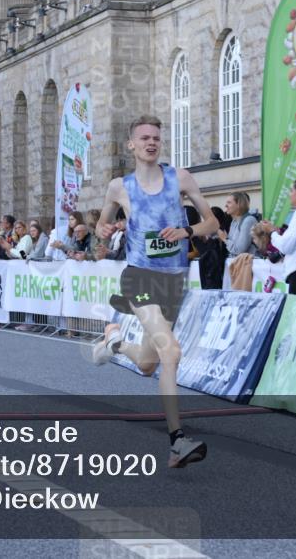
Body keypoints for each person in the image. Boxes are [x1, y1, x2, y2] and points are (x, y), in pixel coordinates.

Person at [90, 115, 218, 468]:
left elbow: (212, 222)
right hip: (140, 278)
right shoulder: (120, 186)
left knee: (148, 363)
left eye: (156, 138)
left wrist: (187, 231)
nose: (151, 142)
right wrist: (104, 230)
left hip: (174, 279)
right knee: (170, 351)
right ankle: (177, 440)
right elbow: (101, 224)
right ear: (131, 144)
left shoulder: (181, 178)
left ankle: (114, 344)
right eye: (144, 138)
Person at [219, 192, 258, 256]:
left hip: (248, 264)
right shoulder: (234, 221)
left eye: (229, 202)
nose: (225, 205)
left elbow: (239, 250)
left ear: (239, 204)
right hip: (238, 263)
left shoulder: (248, 220)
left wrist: (225, 239)